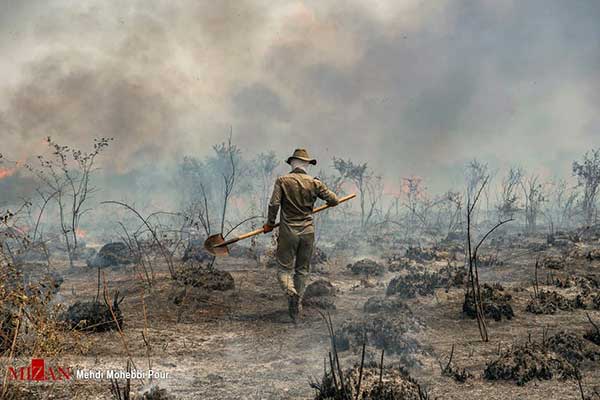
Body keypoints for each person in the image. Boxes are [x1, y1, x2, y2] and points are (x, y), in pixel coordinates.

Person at [264, 149, 339, 323]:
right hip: (307, 232)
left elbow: (274, 204)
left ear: (292, 164)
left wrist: (269, 223)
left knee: (284, 269)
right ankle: (297, 305)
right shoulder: (315, 183)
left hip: (288, 231)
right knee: (302, 270)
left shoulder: (283, 181)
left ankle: (291, 293)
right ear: (306, 165)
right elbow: (334, 200)